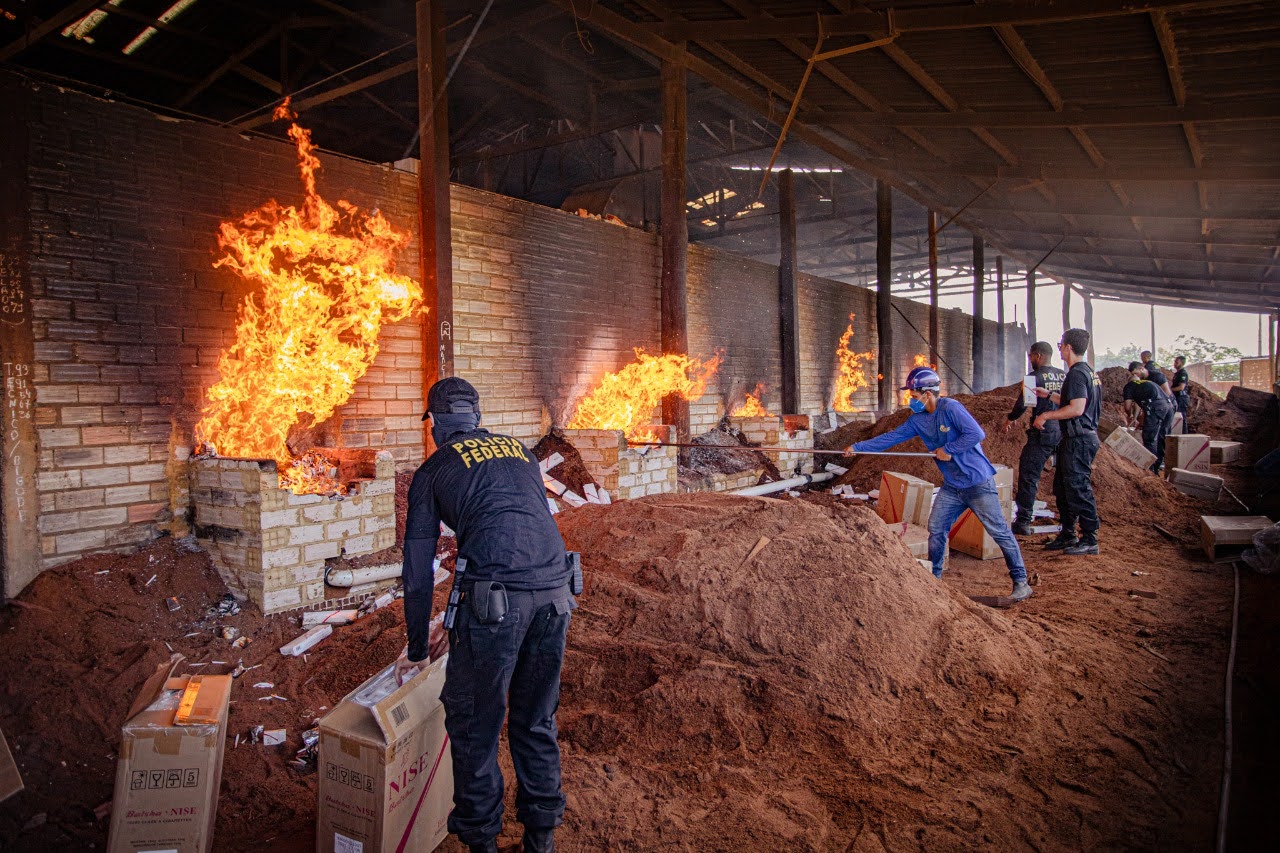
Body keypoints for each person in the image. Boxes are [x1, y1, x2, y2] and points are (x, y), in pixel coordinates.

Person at [396, 377, 575, 853]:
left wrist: (418, 646)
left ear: (433, 424)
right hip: (557, 594)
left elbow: (417, 573)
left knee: (474, 723)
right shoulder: (521, 453)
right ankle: (541, 842)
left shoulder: (433, 470)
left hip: (496, 604)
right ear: (476, 417)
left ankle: (482, 844)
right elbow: (519, 527)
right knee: (535, 719)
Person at [848, 366, 1032, 602]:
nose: (911, 400)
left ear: (927, 393)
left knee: (999, 532)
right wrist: (857, 448)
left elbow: (976, 434)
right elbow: (891, 437)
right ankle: (934, 581)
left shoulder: (951, 408)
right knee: (936, 528)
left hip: (977, 483)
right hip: (953, 486)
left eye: (914, 395)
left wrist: (949, 449)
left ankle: (1021, 582)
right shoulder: (917, 420)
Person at [1033, 329, 1102, 556]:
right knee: (1063, 488)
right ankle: (1068, 533)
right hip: (1075, 439)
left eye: (1061, 344)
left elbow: (1077, 408)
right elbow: (1071, 400)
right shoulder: (1087, 372)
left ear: (1068, 347)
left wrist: (1045, 415)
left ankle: (1090, 537)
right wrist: (1048, 396)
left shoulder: (1077, 374)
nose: (1059, 348)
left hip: (1080, 439)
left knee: (1078, 488)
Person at [1002, 342, 1066, 535]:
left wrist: (1010, 418)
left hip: (1043, 429)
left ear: (1037, 356)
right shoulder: (1064, 375)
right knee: (1064, 476)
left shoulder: (1034, 377)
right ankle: (1068, 518)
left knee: (1029, 475)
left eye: (1030, 356)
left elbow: (1024, 404)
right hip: (1063, 431)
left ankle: (1023, 521)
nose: (1030, 360)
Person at [1123, 361, 1175, 473]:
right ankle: (1159, 465)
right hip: (1169, 406)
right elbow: (1144, 408)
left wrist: (1130, 415)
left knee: (1149, 439)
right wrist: (1140, 422)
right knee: (1162, 436)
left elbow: (1128, 407)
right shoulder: (1147, 384)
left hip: (1157, 406)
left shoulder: (1129, 387)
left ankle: (1150, 469)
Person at [1170, 355, 1191, 430]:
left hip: (1181, 398)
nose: (1174, 363)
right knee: (1177, 417)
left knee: (1182, 417)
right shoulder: (1177, 373)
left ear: (1182, 363)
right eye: (1174, 362)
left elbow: (1181, 387)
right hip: (1177, 397)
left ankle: (1184, 435)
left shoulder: (1183, 373)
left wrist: (1169, 390)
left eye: (1177, 362)